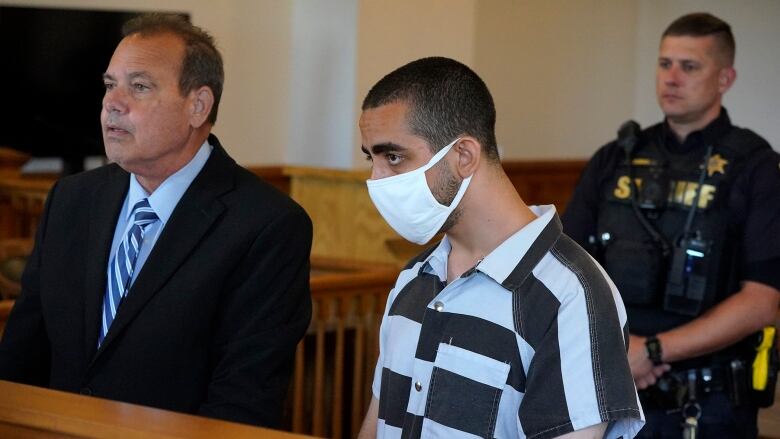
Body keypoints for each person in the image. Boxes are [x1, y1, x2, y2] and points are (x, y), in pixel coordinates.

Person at [0, 14, 312, 428]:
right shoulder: (72, 199)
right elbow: (22, 356)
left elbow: (243, 400)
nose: (112, 103)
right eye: (110, 85)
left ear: (198, 106)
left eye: (140, 86)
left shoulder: (267, 224)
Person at [356, 57, 644, 439]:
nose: (376, 179)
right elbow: (378, 426)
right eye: (371, 158)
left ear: (463, 156)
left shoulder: (571, 295)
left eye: (393, 157)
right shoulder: (415, 277)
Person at [562, 12, 780, 439]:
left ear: (724, 78)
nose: (672, 78)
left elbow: (762, 302)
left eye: (690, 66)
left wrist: (653, 350)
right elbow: (566, 272)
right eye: (665, 64)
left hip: (711, 406)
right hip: (612, 388)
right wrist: (623, 350)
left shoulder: (756, 166)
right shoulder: (614, 158)